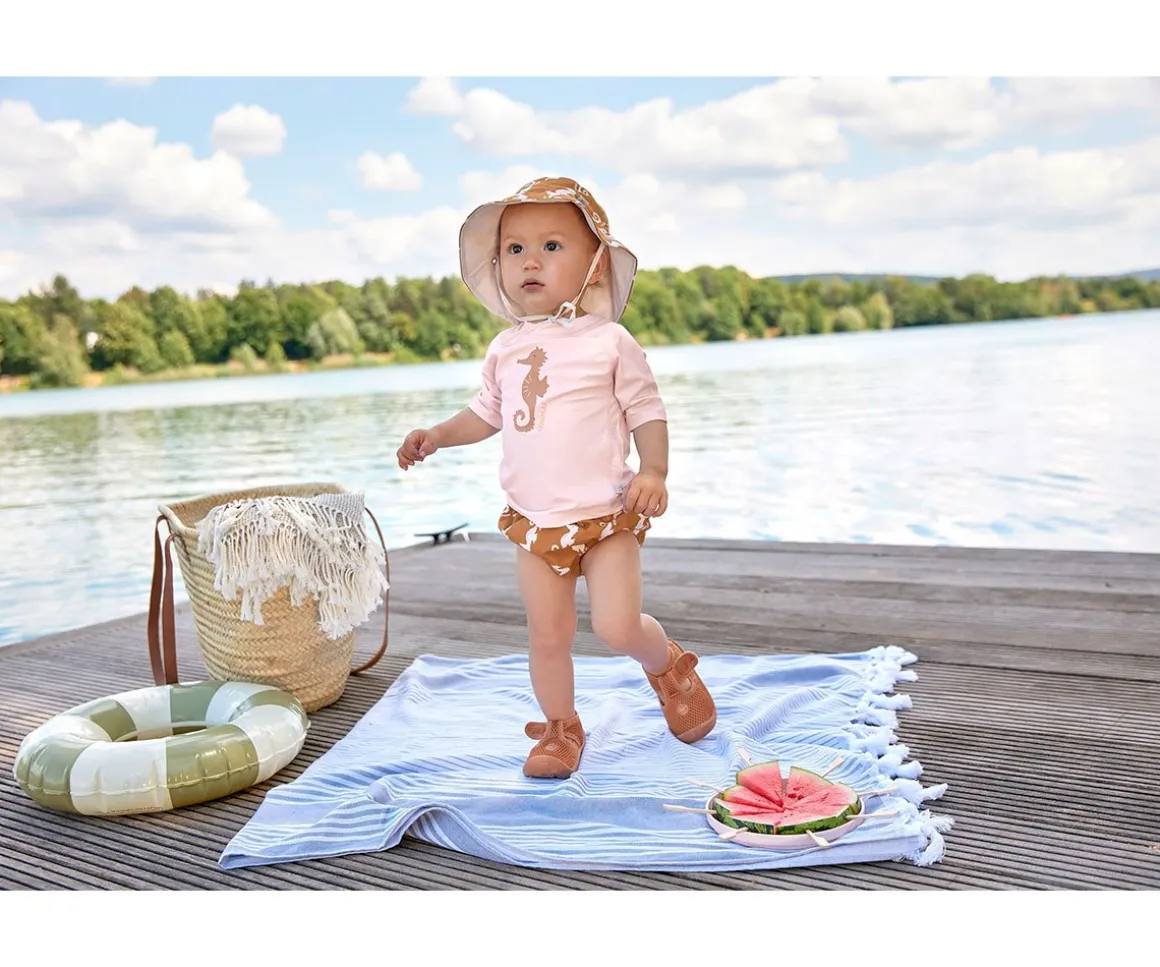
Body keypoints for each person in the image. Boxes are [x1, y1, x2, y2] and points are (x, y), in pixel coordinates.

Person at [396, 177, 716, 779]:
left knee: (616, 627)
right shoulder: (506, 348)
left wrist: (654, 470)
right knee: (547, 635)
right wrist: (437, 434)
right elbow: (485, 413)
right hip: (535, 523)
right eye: (514, 249)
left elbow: (646, 408)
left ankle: (667, 665)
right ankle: (561, 728)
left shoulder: (610, 342)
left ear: (595, 265)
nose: (530, 261)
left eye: (551, 246)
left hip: (606, 516)